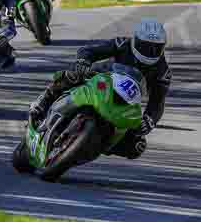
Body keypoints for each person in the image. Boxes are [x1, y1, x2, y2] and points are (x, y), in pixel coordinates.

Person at [29, 18, 171, 159]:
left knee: (137, 145)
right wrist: (83, 61)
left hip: (126, 101)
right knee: (73, 75)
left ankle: (95, 145)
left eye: (156, 48)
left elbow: (158, 102)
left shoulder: (163, 72)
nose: (150, 52)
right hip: (101, 78)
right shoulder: (123, 44)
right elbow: (90, 50)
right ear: (135, 40)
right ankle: (45, 100)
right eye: (146, 46)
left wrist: (149, 120)